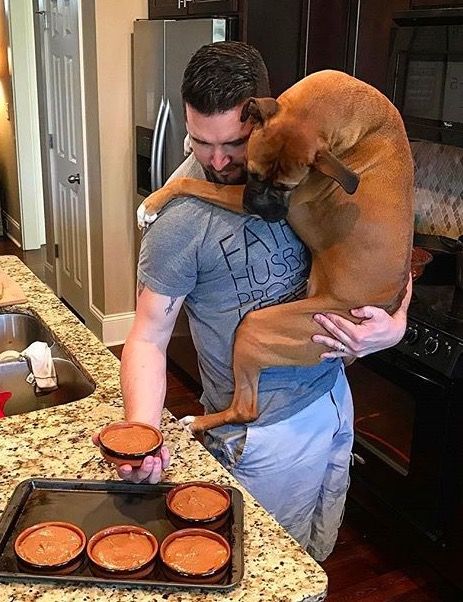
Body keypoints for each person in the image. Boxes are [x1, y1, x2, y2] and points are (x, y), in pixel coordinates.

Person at [117, 41, 410, 561]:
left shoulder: (302, 161)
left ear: (263, 116)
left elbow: (387, 243)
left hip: (334, 399)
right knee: (261, 569)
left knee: (314, 558)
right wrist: (143, 429)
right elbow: (146, 335)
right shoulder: (178, 220)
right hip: (261, 437)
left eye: (232, 142)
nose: (218, 160)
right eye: (200, 141)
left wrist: (395, 324)